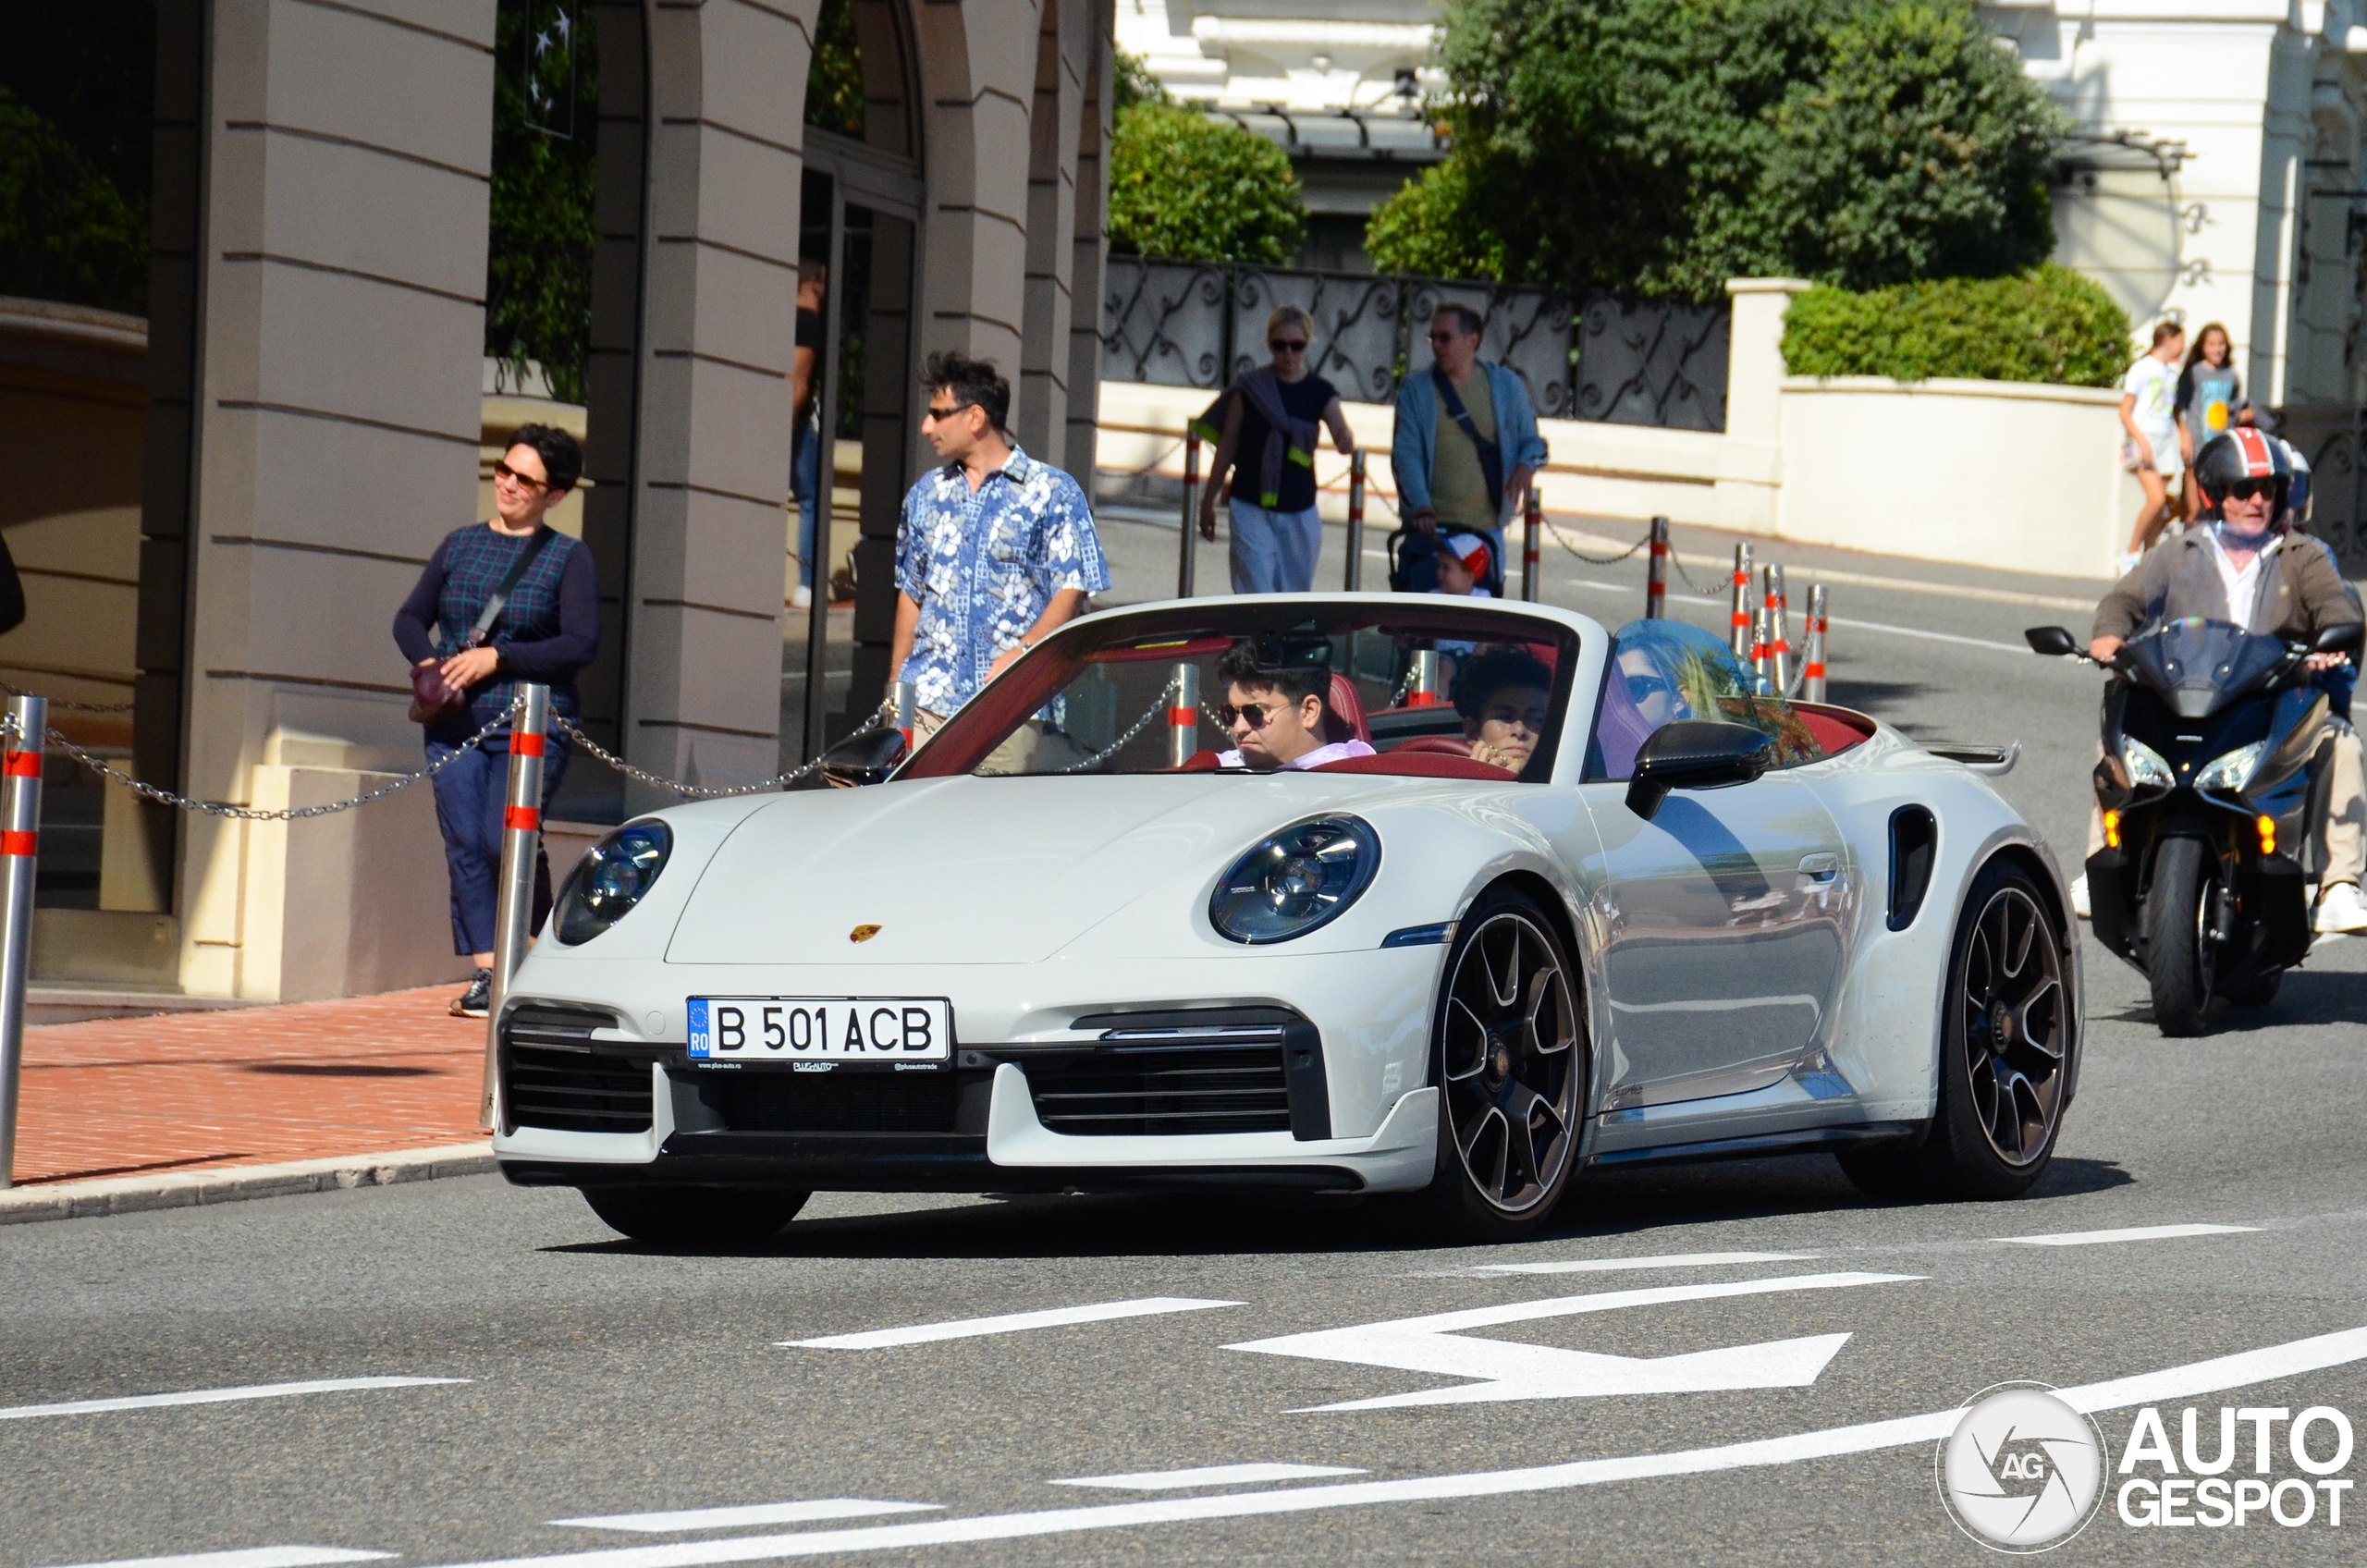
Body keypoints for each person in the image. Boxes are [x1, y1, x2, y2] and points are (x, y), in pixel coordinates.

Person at [2082, 427, 2367, 935]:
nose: (2258, 500)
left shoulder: (2303, 556)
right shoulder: (2178, 551)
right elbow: (2124, 601)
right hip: (2187, 695)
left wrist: (2329, 643)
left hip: (2271, 698)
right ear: (2215, 494)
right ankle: (2105, 853)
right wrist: (2109, 636)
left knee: (2341, 740)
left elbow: (2338, 609)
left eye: (2268, 490)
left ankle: (2338, 885)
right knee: (2118, 734)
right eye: (2243, 489)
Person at [394, 424, 598, 1016]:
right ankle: (490, 973)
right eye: (503, 471)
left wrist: (499, 656)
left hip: (531, 721)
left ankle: (533, 952)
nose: (507, 484)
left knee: (499, 837)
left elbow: (581, 644)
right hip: (456, 722)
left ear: (554, 494)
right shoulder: (459, 545)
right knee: (464, 840)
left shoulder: (568, 557)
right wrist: (430, 662)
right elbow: (409, 617)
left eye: (524, 479)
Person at [889, 352, 1110, 773]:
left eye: (938, 414)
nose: (926, 427)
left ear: (975, 418)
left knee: (991, 831)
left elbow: (1072, 589)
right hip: (927, 703)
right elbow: (910, 596)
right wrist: (896, 691)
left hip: (1011, 705)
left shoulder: (1053, 492)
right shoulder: (925, 496)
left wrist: (1024, 654)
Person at [1196, 305, 1356, 594]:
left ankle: (1282, 641)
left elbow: (1339, 428)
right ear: (1269, 344)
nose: (1289, 354)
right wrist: (1208, 499)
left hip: (1299, 507)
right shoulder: (1250, 388)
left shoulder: (1320, 391)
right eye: (1280, 345)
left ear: (1308, 345)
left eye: (1297, 346)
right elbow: (1228, 445)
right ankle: (1256, 640)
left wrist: (1345, 439)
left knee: (1293, 596)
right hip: (1249, 503)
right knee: (1255, 590)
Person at [1391, 304, 1549, 592]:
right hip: (1432, 533)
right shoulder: (1417, 390)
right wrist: (1421, 507)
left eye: (1445, 338)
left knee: (1480, 629)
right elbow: (1406, 455)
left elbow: (1534, 441)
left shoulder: (1505, 386)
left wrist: (1526, 465)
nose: (1437, 346)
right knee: (1423, 627)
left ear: (1472, 340)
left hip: (1483, 535)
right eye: (1432, 338)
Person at [1211, 642, 1374, 771]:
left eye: (1254, 713)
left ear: (1309, 711)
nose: (1239, 728)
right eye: (1229, 713)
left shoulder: (1351, 782)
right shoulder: (1211, 770)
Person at [2117, 320, 2186, 576]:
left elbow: (2171, 412)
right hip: (2145, 437)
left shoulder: (2170, 373)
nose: (2183, 346)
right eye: (2180, 340)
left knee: (2166, 503)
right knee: (2156, 500)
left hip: (2165, 438)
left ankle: (2149, 554)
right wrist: (2140, 441)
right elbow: (2125, 411)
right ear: (2168, 340)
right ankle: (2131, 552)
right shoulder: (2143, 368)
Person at [2175, 322, 2249, 523]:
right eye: (2211, 344)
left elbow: (2234, 409)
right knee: (2194, 508)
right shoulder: (2193, 373)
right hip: (2197, 447)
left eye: (2221, 344)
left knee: (2217, 505)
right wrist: (2185, 436)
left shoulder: (2231, 376)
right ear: (2202, 347)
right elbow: (2179, 408)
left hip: (2221, 449)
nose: (2217, 349)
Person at [789, 261, 828, 611]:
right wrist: (787, 425)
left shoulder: (786, 318)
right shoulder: (808, 321)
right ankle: (806, 584)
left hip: (788, 420)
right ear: (813, 284)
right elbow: (798, 380)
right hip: (795, 423)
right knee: (811, 500)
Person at [1453, 647, 1551, 775]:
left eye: (1537, 719)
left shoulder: (1569, 780)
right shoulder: (1450, 783)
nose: (1520, 731)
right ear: (1473, 731)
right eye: (1505, 717)